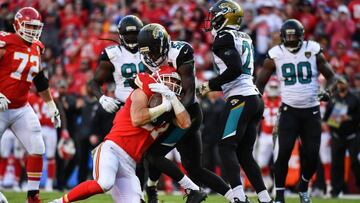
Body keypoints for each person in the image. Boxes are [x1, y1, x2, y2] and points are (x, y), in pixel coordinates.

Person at [50, 66, 191, 203]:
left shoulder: (170, 108)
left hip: (130, 163)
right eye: (170, 81)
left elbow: (185, 124)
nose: (173, 86)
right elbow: (137, 119)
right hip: (112, 149)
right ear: (158, 81)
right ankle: (59, 202)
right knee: (104, 183)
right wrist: (162, 107)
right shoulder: (142, 92)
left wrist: (172, 99)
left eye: (176, 83)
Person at [137, 23, 232, 203]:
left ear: (164, 44)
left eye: (154, 52)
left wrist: (166, 114)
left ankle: (190, 190)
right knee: (195, 169)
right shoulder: (146, 60)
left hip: (188, 113)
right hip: (169, 112)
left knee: (153, 154)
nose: (151, 57)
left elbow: (189, 93)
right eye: (147, 53)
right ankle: (237, 198)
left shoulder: (180, 52)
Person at [256, 19, 338, 203]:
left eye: (294, 36)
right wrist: (257, 104)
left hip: (311, 111)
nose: (291, 39)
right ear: (283, 37)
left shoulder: (313, 50)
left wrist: (328, 91)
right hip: (288, 111)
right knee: (283, 153)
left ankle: (303, 187)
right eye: (288, 36)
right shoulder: (276, 54)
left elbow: (332, 77)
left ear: (301, 35)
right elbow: (259, 83)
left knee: (312, 156)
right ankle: (280, 195)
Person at [199, 1, 272, 202]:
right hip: (254, 97)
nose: (212, 18)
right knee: (244, 153)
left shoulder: (223, 37)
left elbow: (235, 69)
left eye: (215, 15)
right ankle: (265, 198)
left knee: (225, 147)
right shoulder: (245, 36)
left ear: (225, 16)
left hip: (240, 97)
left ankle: (238, 197)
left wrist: (210, 85)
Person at [0, 7, 61, 202]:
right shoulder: (5, 42)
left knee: (37, 146)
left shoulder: (37, 47)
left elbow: (40, 78)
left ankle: (33, 195)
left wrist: (51, 105)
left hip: (20, 108)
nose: (32, 30)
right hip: (0, 107)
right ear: (17, 24)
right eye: (28, 25)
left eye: (35, 27)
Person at [90, 15, 145, 113]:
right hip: (124, 106)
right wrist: (102, 99)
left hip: (150, 102)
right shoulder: (113, 54)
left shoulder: (150, 50)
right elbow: (95, 82)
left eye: (134, 34)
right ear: (120, 35)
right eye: (128, 34)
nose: (131, 37)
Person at [323, 78, 360, 197]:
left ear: (347, 84)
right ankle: (336, 191)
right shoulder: (333, 99)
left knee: (355, 162)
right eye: (338, 83)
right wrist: (327, 124)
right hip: (336, 136)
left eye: (342, 82)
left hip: (352, 135)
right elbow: (326, 118)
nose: (340, 85)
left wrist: (348, 118)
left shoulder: (355, 98)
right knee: (336, 164)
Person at [256, 78, 281, 189]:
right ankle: (268, 180)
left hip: (278, 135)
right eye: (272, 87)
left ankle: (277, 187)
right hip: (265, 135)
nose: (273, 90)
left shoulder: (282, 100)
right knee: (261, 164)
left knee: (278, 163)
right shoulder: (262, 99)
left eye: (275, 87)